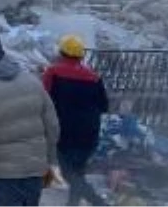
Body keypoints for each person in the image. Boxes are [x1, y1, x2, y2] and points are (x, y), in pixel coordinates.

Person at [0, 32, 60, 207]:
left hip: (2, 176)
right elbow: (52, 125)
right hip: (34, 170)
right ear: (2, 52)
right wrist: (50, 160)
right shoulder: (32, 81)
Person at [42, 35, 109, 207]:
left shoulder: (53, 72)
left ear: (61, 53)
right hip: (90, 133)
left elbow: (44, 100)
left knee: (67, 173)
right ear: (81, 55)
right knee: (78, 171)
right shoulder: (94, 77)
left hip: (64, 132)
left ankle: (99, 202)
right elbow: (104, 106)